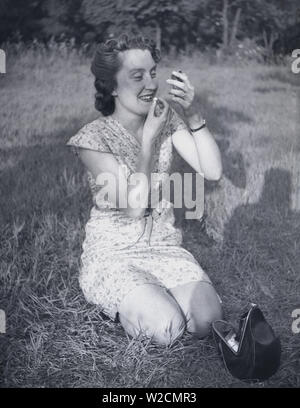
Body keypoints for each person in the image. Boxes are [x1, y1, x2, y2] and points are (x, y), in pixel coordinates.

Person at [66, 34, 223, 347]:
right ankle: (130, 300)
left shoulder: (167, 120)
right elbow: (134, 207)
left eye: (153, 73)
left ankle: (155, 295)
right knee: (168, 328)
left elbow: (213, 171)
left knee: (208, 321)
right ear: (111, 86)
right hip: (115, 252)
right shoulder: (93, 139)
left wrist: (191, 113)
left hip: (163, 246)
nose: (150, 84)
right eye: (137, 76)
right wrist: (148, 141)